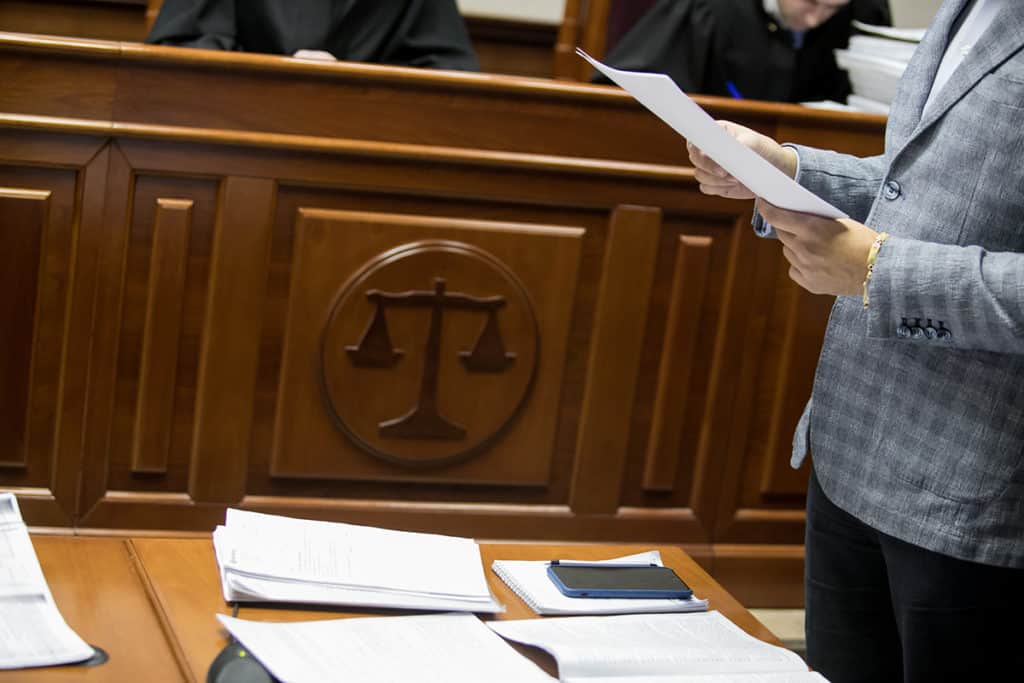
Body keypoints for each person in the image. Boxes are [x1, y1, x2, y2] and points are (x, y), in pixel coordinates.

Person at [687, 0, 1023, 680]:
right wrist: (788, 168)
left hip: (972, 491)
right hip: (850, 452)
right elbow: (923, 185)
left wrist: (878, 270)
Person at [596, 0, 891, 102]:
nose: (815, 19)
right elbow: (629, 87)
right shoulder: (710, 9)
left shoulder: (861, 14)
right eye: (811, 2)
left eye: (831, 8)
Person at [146, 0, 480, 71]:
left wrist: (355, 86)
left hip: (365, 148)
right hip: (244, 143)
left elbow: (449, 72)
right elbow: (182, 55)